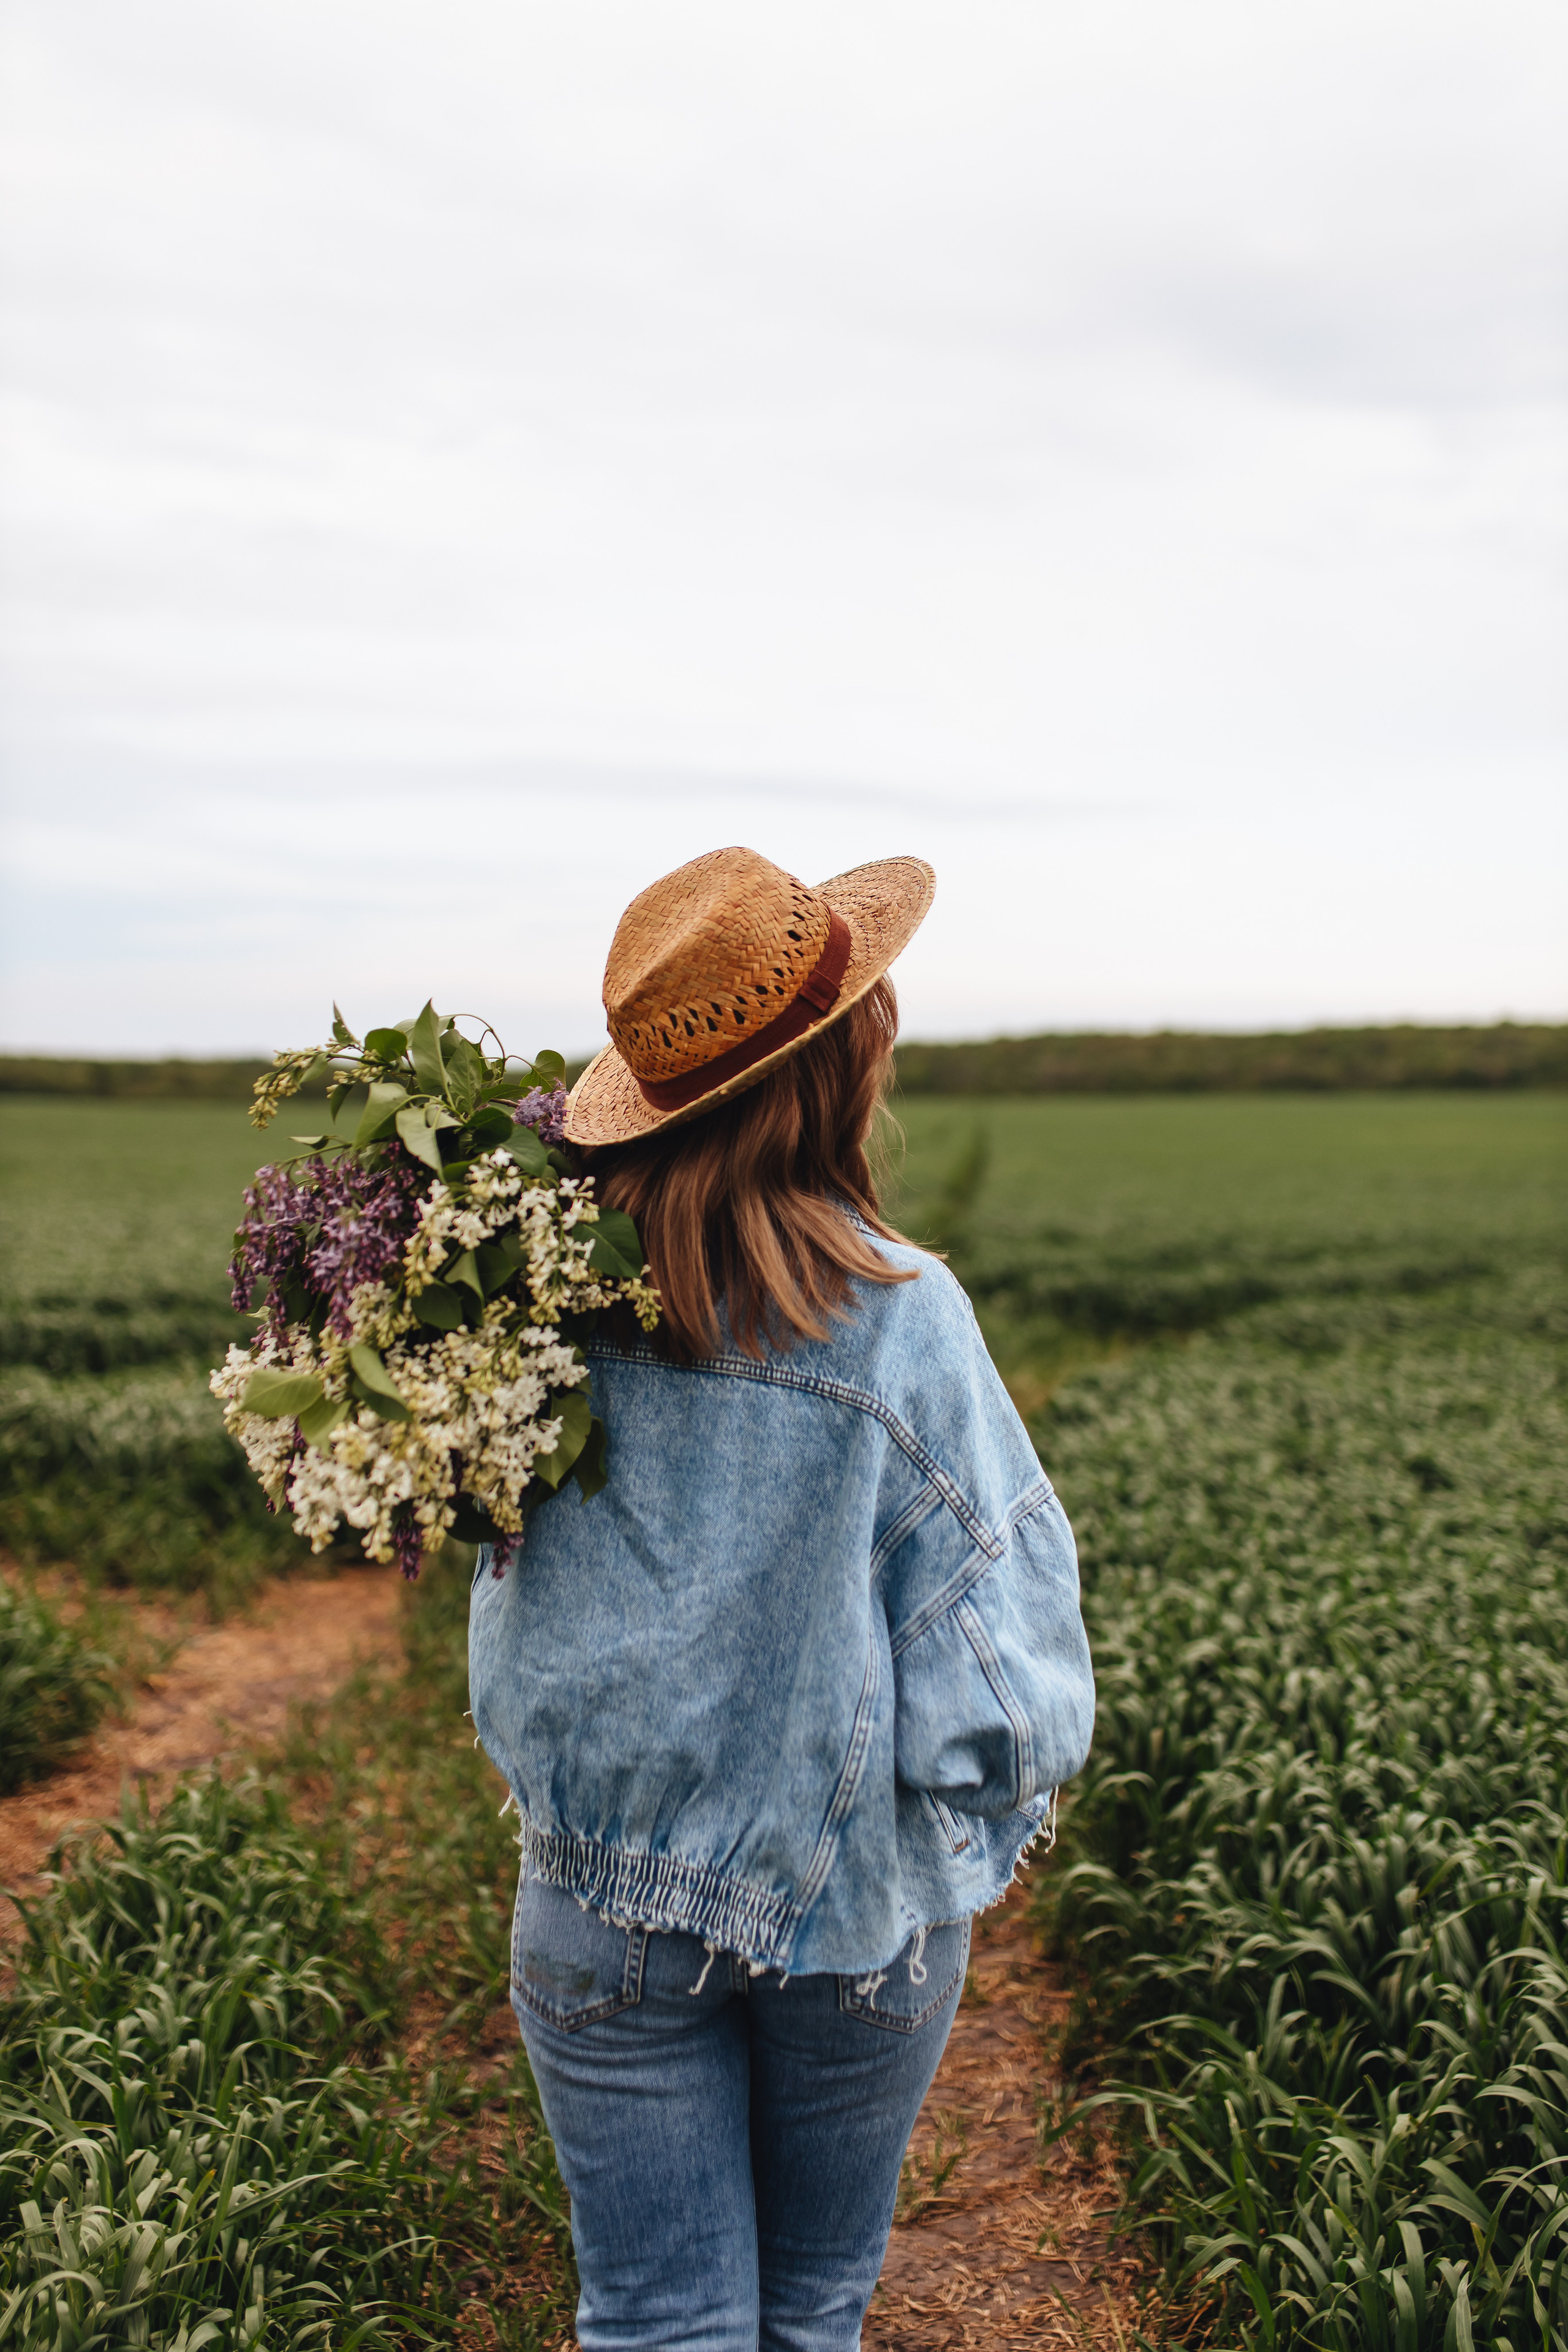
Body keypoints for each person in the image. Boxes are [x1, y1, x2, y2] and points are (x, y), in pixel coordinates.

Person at [469, 846, 1095, 2350]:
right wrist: (958, 1821)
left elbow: (501, 1591)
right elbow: (998, 1670)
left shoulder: (528, 1302)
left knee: (654, 2319)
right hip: (856, 1912)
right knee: (809, 2313)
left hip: (598, 1888)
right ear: (838, 1072)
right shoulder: (895, 1314)